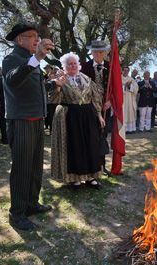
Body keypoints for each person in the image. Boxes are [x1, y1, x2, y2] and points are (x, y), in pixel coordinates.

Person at [2, 23, 55, 231]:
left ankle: (32, 203)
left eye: (37, 36)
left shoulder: (33, 61)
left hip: (37, 120)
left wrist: (53, 84)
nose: (37, 39)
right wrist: (37, 58)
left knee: (35, 167)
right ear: (19, 40)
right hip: (21, 121)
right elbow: (13, 80)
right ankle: (17, 213)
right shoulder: (11, 59)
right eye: (32, 36)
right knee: (22, 168)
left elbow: (37, 88)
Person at [48, 52, 105, 191]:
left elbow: (95, 98)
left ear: (78, 65)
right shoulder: (61, 79)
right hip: (69, 116)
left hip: (87, 116)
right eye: (69, 64)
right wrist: (58, 85)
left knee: (90, 145)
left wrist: (99, 115)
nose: (73, 66)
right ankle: (75, 180)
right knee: (75, 147)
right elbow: (54, 99)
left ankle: (91, 177)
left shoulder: (86, 79)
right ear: (65, 66)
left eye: (75, 63)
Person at [80, 40, 113, 177]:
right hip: (89, 108)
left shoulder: (110, 67)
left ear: (104, 52)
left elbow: (115, 88)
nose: (98, 54)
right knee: (89, 137)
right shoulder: (84, 67)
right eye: (95, 52)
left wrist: (111, 101)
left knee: (102, 136)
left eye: (101, 52)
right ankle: (90, 166)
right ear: (91, 52)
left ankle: (102, 167)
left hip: (106, 108)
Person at [122, 66, 138, 134]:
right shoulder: (118, 78)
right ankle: (123, 129)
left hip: (130, 99)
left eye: (127, 70)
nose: (126, 72)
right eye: (124, 70)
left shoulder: (131, 79)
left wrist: (129, 86)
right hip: (122, 99)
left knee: (130, 112)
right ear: (122, 71)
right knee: (123, 113)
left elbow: (136, 88)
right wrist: (125, 86)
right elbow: (116, 88)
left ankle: (130, 129)